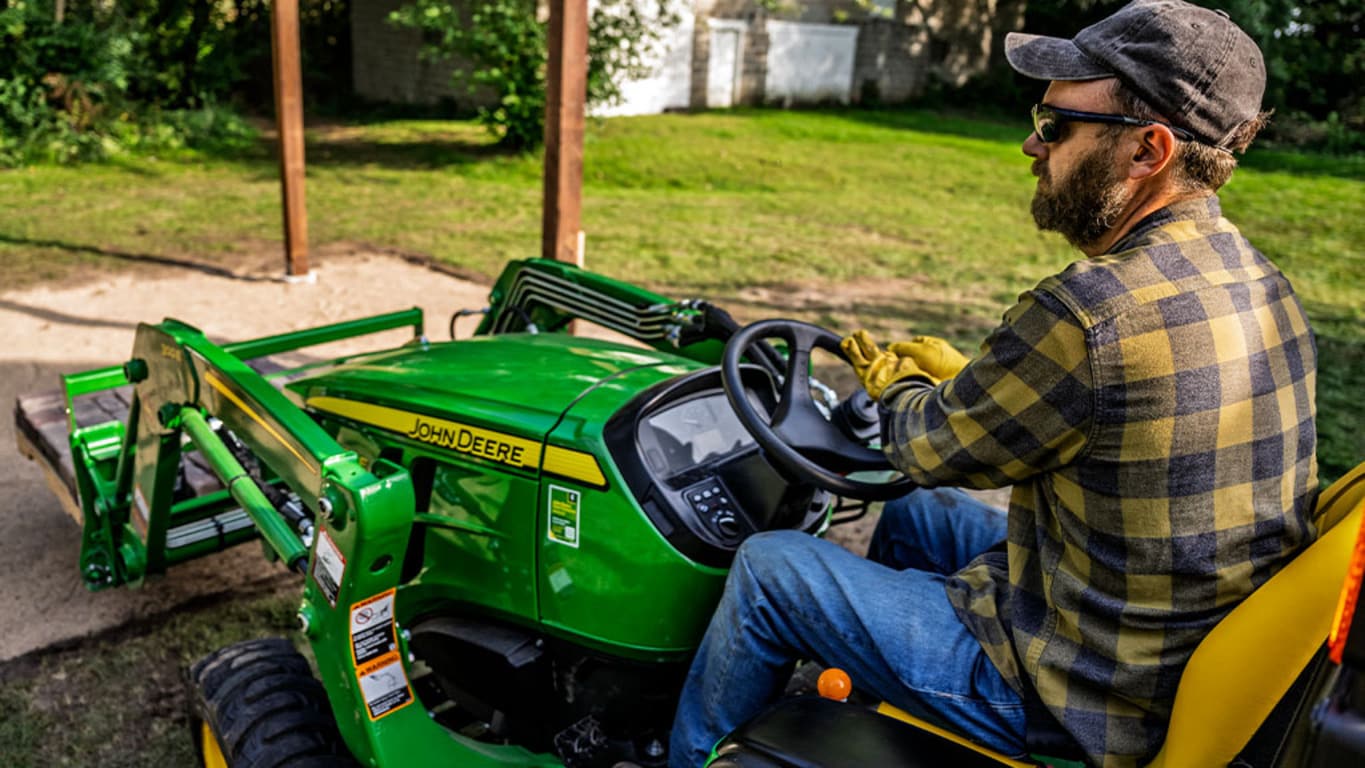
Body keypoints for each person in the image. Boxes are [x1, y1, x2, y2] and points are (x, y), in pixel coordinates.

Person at [668, 1, 1319, 766]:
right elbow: (1051, 423)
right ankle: (870, 716)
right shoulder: (1261, 282)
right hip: (1157, 641)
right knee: (923, 517)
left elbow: (921, 447)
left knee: (771, 569)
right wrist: (965, 381)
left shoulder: (1089, 313)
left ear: (1148, 151)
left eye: (1053, 124)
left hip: (1082, 699)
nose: (1027, 145)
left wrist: (900, 386)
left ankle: (685, 755)